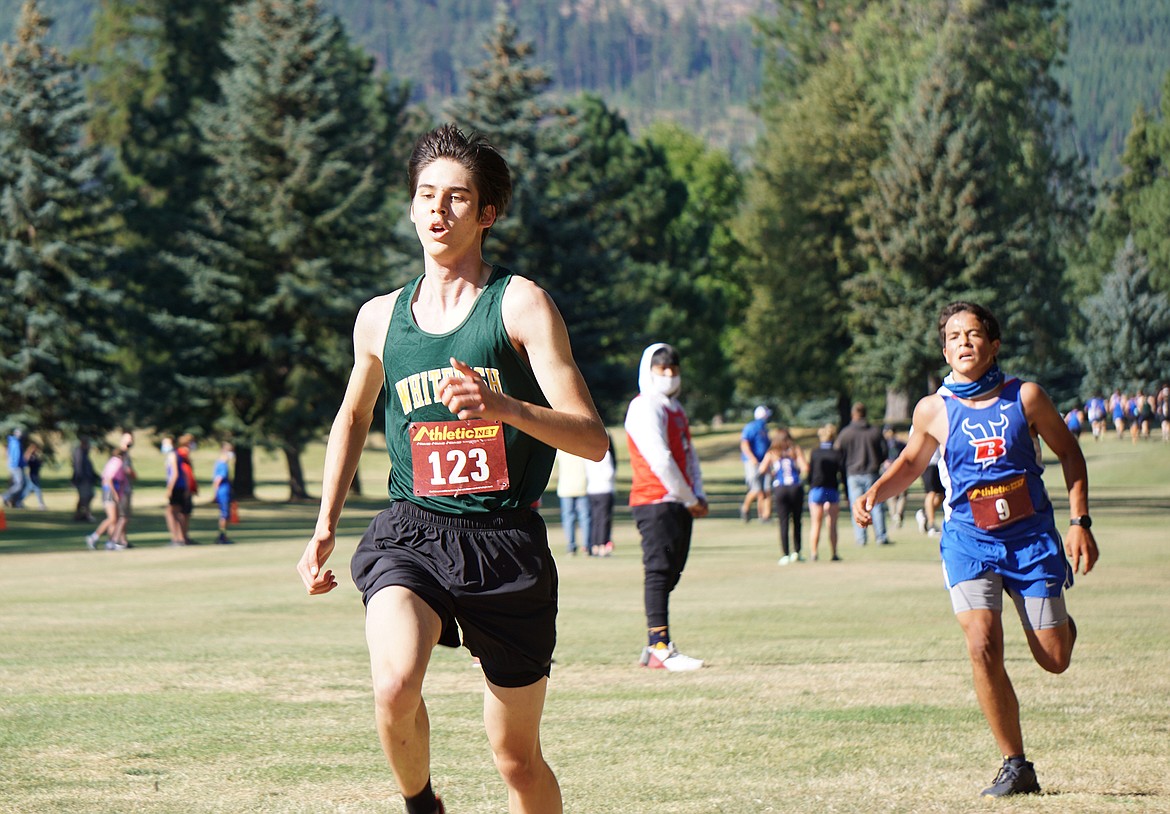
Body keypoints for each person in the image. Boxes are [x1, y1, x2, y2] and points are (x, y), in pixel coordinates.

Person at [296, 124, 607, 814]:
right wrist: (324, 526)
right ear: (411, 205)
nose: (438, 210)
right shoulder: (379, 319)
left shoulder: (520, 304)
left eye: (458, 198)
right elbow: (351, 419)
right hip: (411, 534)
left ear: (486, 214)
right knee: (394, 685)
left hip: (506, 547)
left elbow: (590, 439)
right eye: (426, 195)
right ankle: (422, 805)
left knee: (517, 761)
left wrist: (503, 407)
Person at [852, 301, 1098, 798]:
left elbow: (1069, 453)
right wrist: (876, 491)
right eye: (954, 336)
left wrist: (1079, 522)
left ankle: (1059, 625)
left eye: (974, 334)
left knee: (1054, 658)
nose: (964, 342)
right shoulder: (932, 409)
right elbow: (910, 460)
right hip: (969, 541)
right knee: (982, 644)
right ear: (944, 350)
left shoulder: (1025, 397)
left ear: (994, 344)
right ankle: (1015, 765)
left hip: (1030, 541)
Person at [625, 342, 707, 672]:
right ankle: (659, 645)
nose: (670, 375)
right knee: (659, 572)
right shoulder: (645, 407)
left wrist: (696, 495)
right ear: (649, 370)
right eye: (663, 369)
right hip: (655, 499)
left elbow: (689, 454)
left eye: (674, 369)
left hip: (679, 501)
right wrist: (688, 496)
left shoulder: (676, 409)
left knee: (671, 573)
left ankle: (654, 646)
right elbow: (660, 457)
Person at [836, 402, 890, 546]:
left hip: (853, 473)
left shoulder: (846, 433)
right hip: (872, 472)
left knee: (857, 506)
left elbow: (839, 454)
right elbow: (885, 452)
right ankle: (881, 536)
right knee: (876, 505)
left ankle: (861, 538)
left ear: (853, 414)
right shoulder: (874, 431)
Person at [759, 427, 808, 565]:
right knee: (797, 520)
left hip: (780, 488)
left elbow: (762, 469)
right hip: (795, 487)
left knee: (783, 521)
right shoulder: (795, 450)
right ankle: (797, 552)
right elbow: (805, 467)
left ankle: (785, 554)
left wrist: (773, 472)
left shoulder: (772, 452)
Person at [806, 424, 844, 562]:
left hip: (816, 489)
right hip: (831, 489)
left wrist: (809, 484)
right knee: (832, 524)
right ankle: (834, 553)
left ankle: (814, 553)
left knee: (816, 523)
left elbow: (810, 473)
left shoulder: (815, 452)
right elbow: (842, 473)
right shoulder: (837, 453)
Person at [86, 446, 129, 550]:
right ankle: (93, 537)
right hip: (110, 492)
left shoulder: (112, 461)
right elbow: (109, 479)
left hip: (110, 491)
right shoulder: (117, 462)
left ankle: (111, 542)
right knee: (112, 518)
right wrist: (115, 494)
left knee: (115, 519)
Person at [554, 449, 591, 555]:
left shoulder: (561, 450)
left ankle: (571, 546)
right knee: (584, 517)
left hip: (566, 488)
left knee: (568, 518)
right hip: (582, 486)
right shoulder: (582, 449)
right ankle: (586, 546)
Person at [585, 433, 617, 557]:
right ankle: (603, 545)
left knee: (595, 519)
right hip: (605, 489)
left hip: (592, 489)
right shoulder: (606, 455)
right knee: (604, 519)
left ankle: (595, 545)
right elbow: (610, 472)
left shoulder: (587, 454)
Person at [739, 405, 772, 522]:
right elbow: (744, 444)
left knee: (766, 489)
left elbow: (768, 446)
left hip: (764, 462)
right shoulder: (751, 427)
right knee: (756, 489)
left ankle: (764, 515)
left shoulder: (764, 428)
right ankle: (745, 508)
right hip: (752, 462)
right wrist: (752, 459)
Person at [112, 432, 136, 546]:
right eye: (128, 439)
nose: (130, 442)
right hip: (122, 489)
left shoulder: (125, 454)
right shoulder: (120, 454)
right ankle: (116, 540)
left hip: (126, 488)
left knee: (124, 516)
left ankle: (123, 540)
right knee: (123, 516)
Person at [915, 446, 945, 536]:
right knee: (931, 492)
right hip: (927, 463)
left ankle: (924, 514)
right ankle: (931, 525)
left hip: (939, 463)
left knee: (942, 495)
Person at [882, 425, 908, 527]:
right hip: (899, 469)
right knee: (901, 494)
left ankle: (894, 515)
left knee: (892, 494)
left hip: (889, 470)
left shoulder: (885, 443)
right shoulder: (899, 443)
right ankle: (897, 514)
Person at [211, 441, 236, 545]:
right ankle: (222, 536)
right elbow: (218, 480)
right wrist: (215, 493)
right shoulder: (221, 464)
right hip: (223, 493)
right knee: (224, 514)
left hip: (226, 491)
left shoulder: (223, 464)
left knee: (226, 514)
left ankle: (224, 535)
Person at [71, 436, 97, 522]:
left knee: (86, 497)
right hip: (83, 479)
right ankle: (87, 515)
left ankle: (78, 515)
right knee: (85, 497)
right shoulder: (79, 452)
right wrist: (77, 479)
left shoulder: (84, 453)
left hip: (87, 479)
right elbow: (78, 467)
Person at [4, 428, 25, 508]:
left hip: (17, 466)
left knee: (16, 484)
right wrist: (15, 465)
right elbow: (15, 456)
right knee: (19, 484)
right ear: (15, 433)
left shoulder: (16, 442)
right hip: (15, 466)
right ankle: (5, 496)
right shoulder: (14, 442)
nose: (20, 434)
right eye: (18, 433)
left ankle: (14, 502)